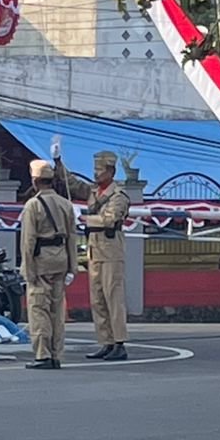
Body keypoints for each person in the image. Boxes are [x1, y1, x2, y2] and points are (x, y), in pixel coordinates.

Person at [19, 159, 75, 371]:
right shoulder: (65, 204)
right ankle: (57, 353)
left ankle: (43, 354)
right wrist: (72, 267)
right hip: (61, 259)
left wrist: (27, 269)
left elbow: (28, 241)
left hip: (41, 260)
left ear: (35, 181)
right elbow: (72, 236)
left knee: (38, 308)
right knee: (57, 310)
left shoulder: (33, 205)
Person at [82, 151, 131, 361]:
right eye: (94, 170)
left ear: (111, 171)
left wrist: (86, 219)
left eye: (99, 170)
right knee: (98, 300)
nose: (95, 174)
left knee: (113, 298)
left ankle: (119, 342)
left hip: (111, 252)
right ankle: (106, 341)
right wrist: (58, 163)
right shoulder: (95, 192)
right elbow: (72, 184)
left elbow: (110, 219)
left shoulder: (118, 196)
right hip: (95, 251)